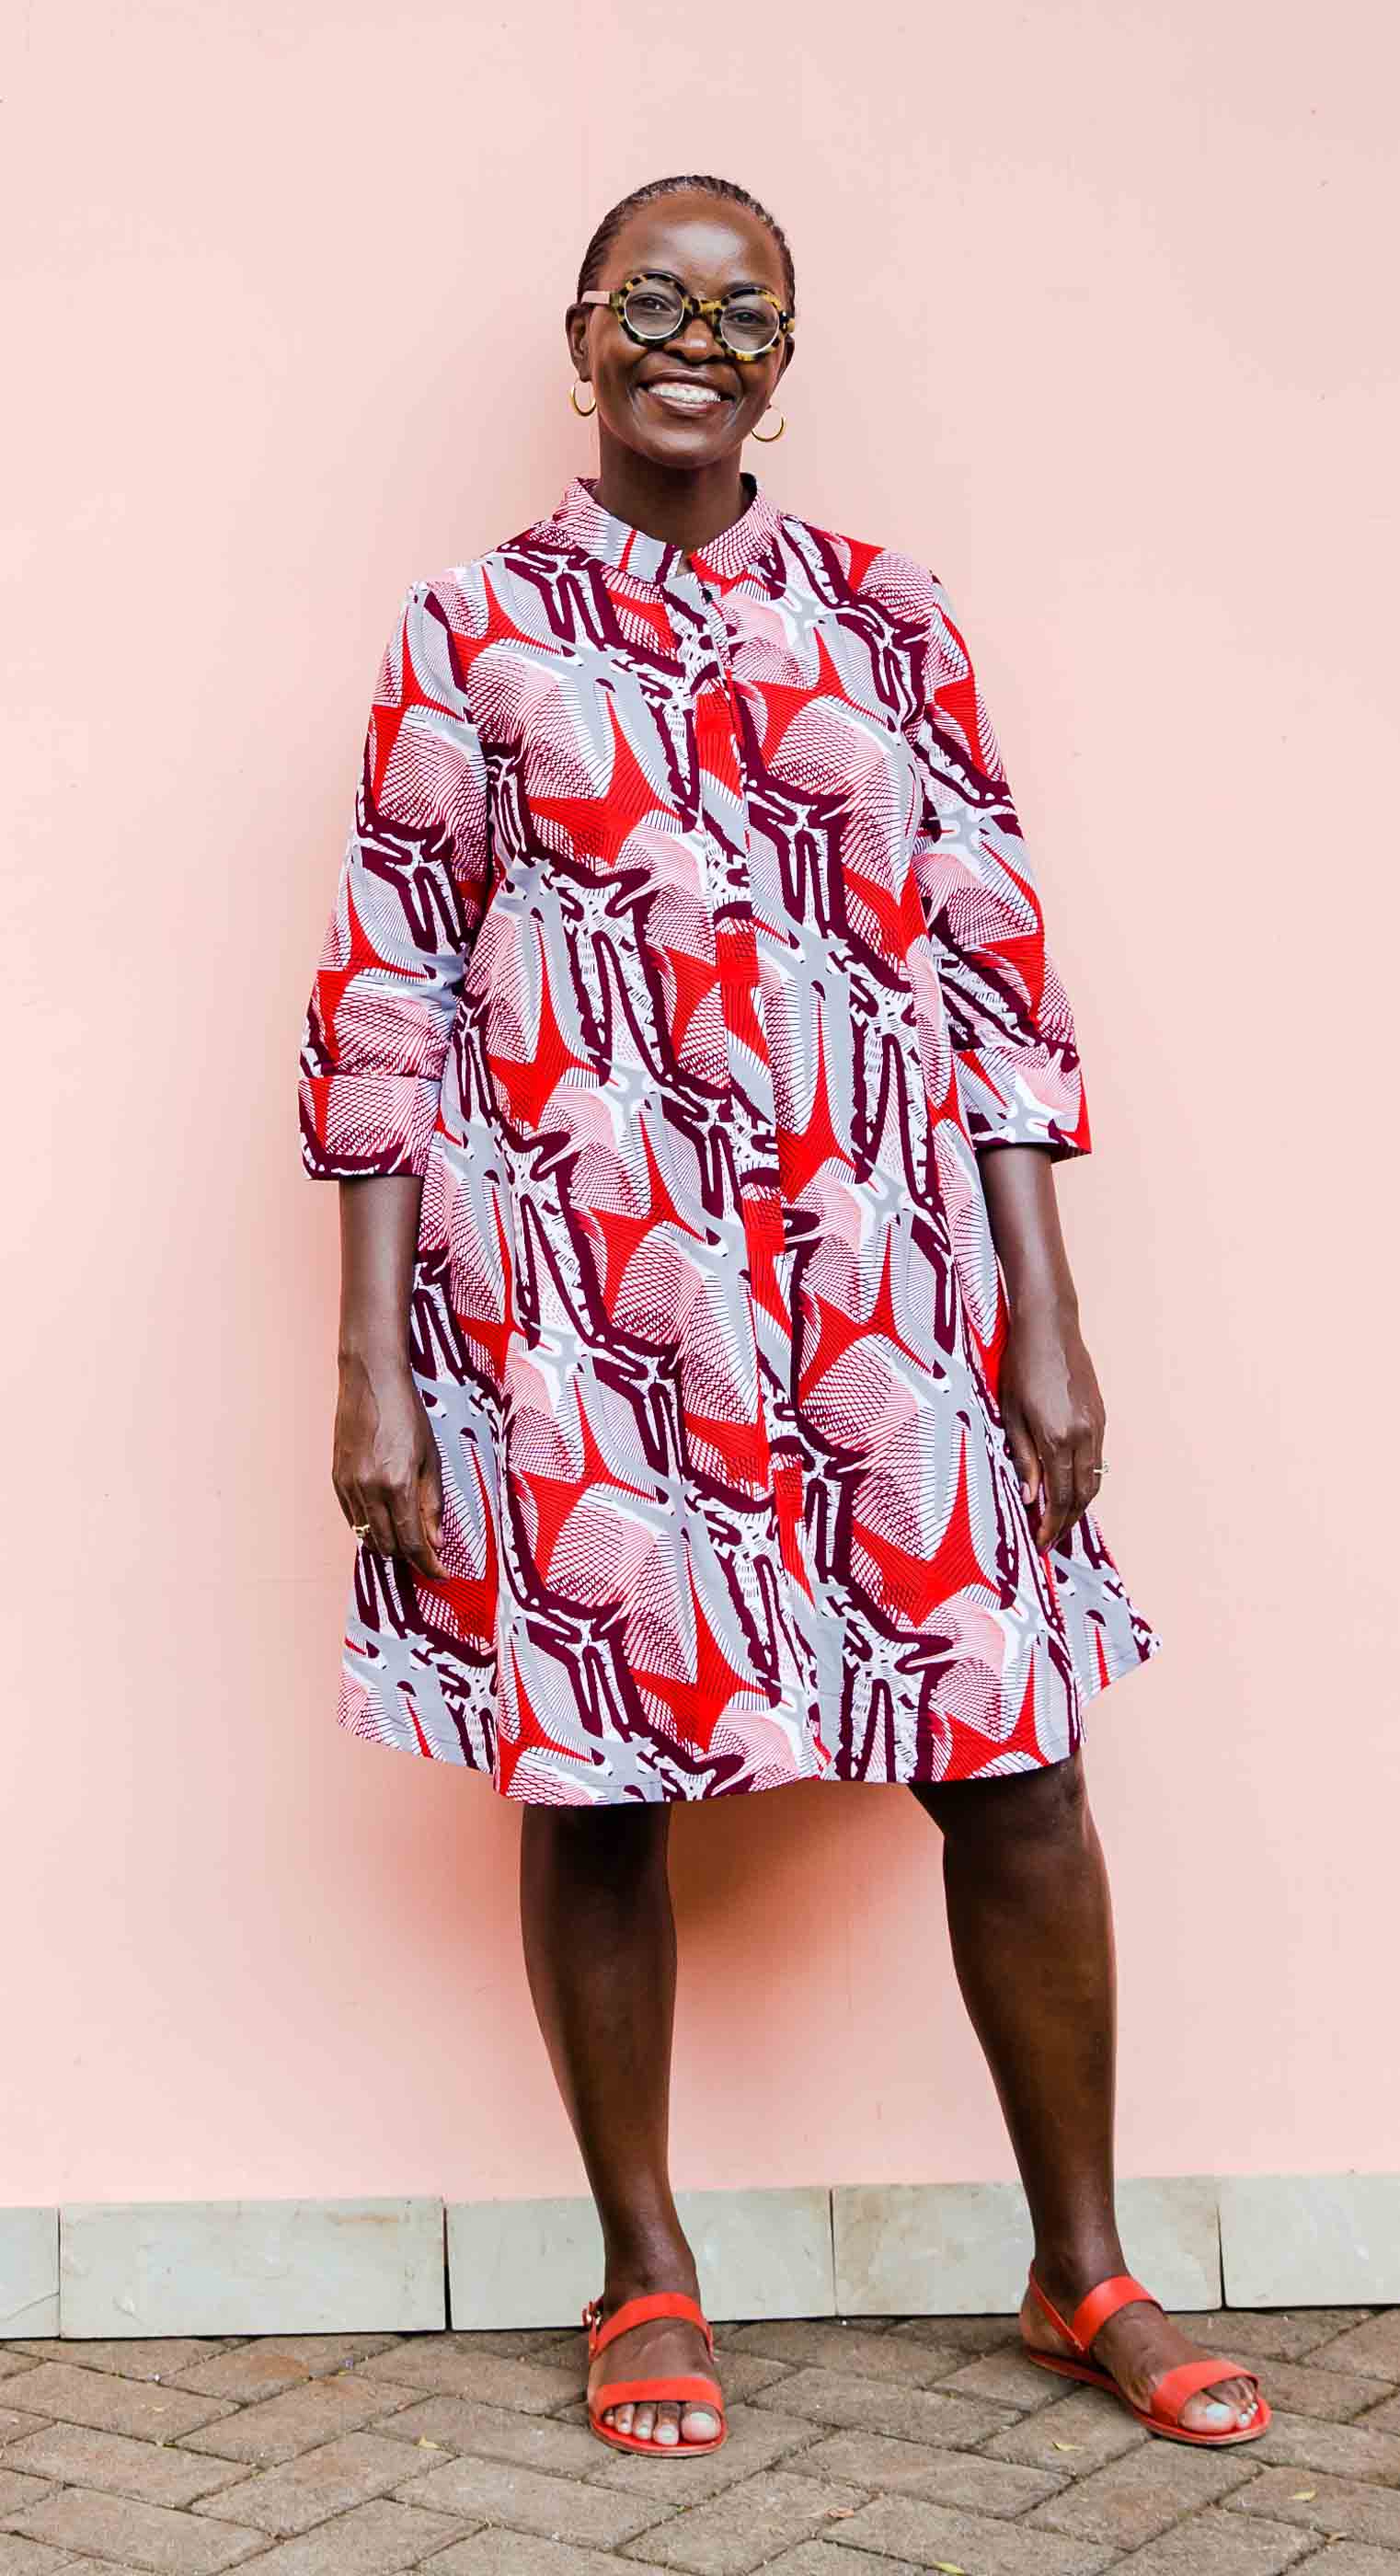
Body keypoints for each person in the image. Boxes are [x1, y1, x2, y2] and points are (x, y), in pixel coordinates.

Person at [297, 170, 1268, 2462]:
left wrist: (1042, 1309)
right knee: (601, 1777)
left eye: (742, 312)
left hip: (885, 1286)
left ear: (784, 359)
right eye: (654, 299)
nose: (693, 341)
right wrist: (373, 1359)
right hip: (568, 1304)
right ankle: (644, 2267)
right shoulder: (471, 631)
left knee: (1012, 1756)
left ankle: (1080, 2260)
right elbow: (384, 994)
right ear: (579, 332)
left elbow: (996, 962)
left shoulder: (888, 620)